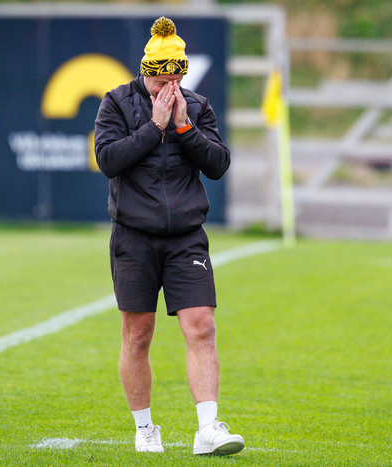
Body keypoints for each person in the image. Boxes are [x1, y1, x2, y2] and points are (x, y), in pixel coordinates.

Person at [93, 17, 244, 456]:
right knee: (138, 334)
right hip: (133, 237)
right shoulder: (116, 103)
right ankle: (145, 429)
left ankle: (208, 429)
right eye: (162, 81)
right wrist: (154, 127)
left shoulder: (196, 106)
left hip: (186, 237)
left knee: (202, 325)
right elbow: (108, 160)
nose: (169, 88)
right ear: (147, 73)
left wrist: (183, 128)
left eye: (176, 80)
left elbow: (218, 164)